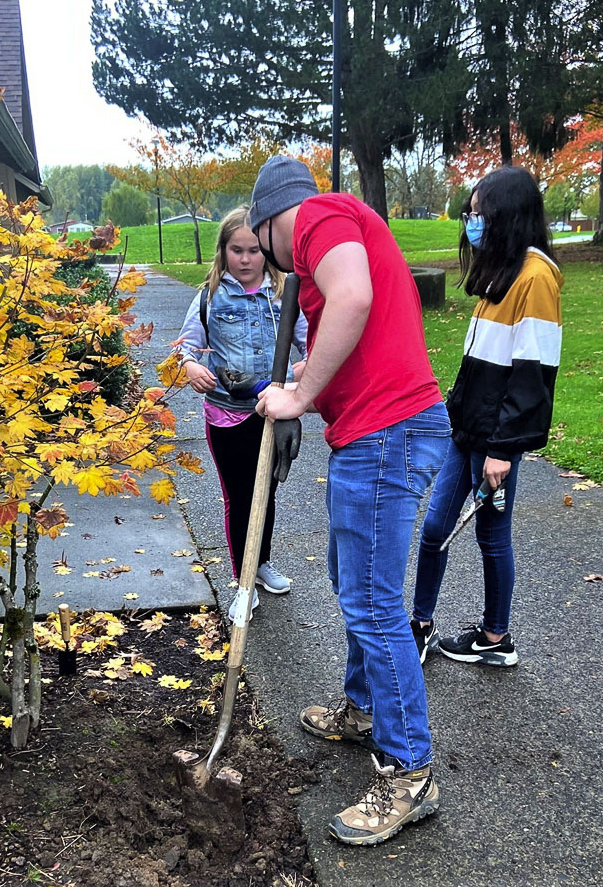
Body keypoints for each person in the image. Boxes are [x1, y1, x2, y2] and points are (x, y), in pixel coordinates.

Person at [251, 155, 450, 847]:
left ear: (269, 222)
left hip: (387, 432)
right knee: (352, 581)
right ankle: (366, 708)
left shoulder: (314, 217)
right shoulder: (330, 228)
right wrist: (300, 376)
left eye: (264, 249)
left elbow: (355, 298)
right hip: (380, 430)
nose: (276, 267)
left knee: (372, 602)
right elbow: (359, 328)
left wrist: (300, 397)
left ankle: (409, 771)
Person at [410, 165, 563, 667]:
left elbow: (532, 375)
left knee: (491, 536)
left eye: (480, 214)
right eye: (469, 213)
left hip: (495, 440)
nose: (471, 223)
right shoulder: (505, 269)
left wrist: (503, 449)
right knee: (435, 527)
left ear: (508, 216)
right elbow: (482, 364)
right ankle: (421, 624)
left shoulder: (537, 277)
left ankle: (497, 638)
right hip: (466, 430)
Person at [176, 205, 307, 622]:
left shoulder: (284, 296)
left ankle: (260, 563)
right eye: (237, 250)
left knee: (266, 495)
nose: (246, 259)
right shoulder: (210, 298)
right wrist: (191, 366)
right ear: (223, 251)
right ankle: (243, 582)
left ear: (267, 252)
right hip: (227, 416)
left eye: (254, 250)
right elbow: (185, 348)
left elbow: (311, 342)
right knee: (240, 497)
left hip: (273, 415)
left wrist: (304, 379)